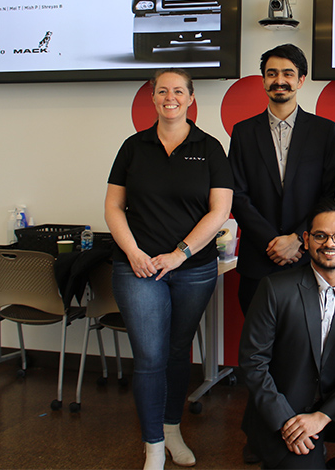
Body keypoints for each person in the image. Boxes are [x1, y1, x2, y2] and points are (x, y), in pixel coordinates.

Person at [104, 69, 233, 470]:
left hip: (192, 268)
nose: (170, 97)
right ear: (153, 98)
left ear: (191, 98)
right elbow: (113, 208)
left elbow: (221, 210)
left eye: (179, 91)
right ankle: (154, 447)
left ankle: (172, 428)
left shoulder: (209, 148)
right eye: (162, 91)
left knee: (179, 352)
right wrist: (135, 253)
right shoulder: (133, 147)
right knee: (149, 356)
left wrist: (180, 253)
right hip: (139, 268)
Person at [239, 200, 335, 469]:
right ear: (306, 239)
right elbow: (253, 363)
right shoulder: (275, 289)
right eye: (320, 236)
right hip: (282, 410)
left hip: (331, 406)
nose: (330, 244)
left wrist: (323, 415)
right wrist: (285, 421)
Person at [229, 43, 335, 316]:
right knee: (258, 347)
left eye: (288, 74)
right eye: (272, 74)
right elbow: (237, 194)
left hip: (309, 258)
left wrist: (298, 239)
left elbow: (331, 193)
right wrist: (273, 241)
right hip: (258, 259)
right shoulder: (243, 132)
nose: (279, 81)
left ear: (301, 80)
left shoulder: (324, 131)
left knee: (304, 345)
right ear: (263, 80)